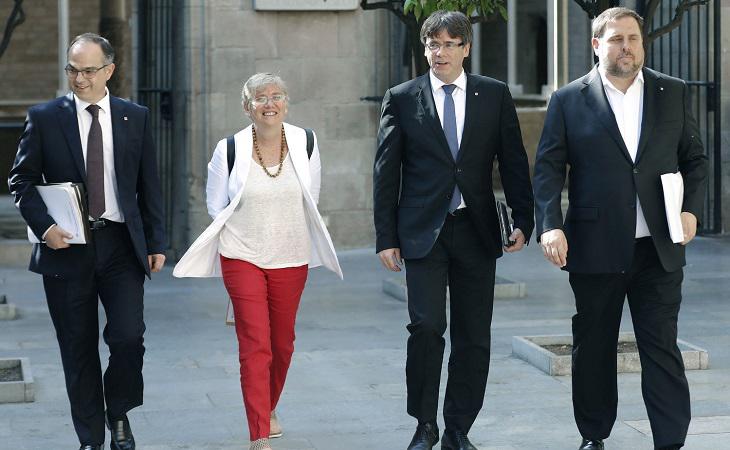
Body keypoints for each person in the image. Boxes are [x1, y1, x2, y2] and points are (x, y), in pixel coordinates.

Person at [532, 7, 708, 450]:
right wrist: (550, 224)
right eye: (615, 39)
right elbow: (549, 168)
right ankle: (594, 436)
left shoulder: (672, 91)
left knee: (661, 348)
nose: (626, 47)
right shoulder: (569, 99)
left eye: (632, 38)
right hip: (594, 248)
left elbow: (695, 159)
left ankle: (670, 441)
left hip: (658, 248)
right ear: (596, 44)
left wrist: (690, 210)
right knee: (593, 347)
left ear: (642, 43)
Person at [373, 10, 534, 450]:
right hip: (422, 231)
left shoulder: (494, 95)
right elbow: (386, 171)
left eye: (448, 44)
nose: (439, 52)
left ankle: (458, 427)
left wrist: (524, 219)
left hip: (476, 231)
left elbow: (514, 161)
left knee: (473, 334)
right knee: (426, 327)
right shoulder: (403, 97)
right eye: (432, 44)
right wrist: (385, 236)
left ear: (466, 47)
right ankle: (424, 423)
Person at [8, 33, 166, 450]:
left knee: (129, 337)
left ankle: (119, 414)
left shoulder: (135, 116)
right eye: (72, 70)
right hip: (66, 250)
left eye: (88, 71)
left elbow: (149, 184)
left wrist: (157, 240)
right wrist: (44, 228)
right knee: (77, 349)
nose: (79, 79)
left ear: (109, 71)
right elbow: (20, 181)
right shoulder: (45, 118)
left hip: (120, 246)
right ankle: (91, 438)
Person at [173, 73, 342, 450]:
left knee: (282, 345)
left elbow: (309, 198)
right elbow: (216, 206)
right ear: (246, 107)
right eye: (260, 98)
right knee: (255, 343)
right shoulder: (228, 148)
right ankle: (258, 434)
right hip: (242, 255)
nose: (269, 103)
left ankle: (267, 407)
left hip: (291, 254)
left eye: (276, 96)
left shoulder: (306, 142)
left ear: (286, 101)